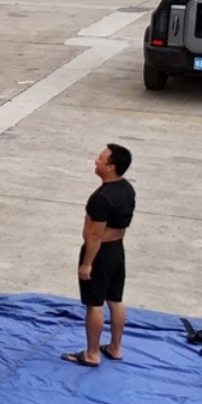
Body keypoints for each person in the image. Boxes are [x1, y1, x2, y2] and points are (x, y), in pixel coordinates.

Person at [62, 144, 135, 367]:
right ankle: (115, 347)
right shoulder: (127, 189)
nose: (96, 160)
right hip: (117, 250)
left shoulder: (101, 198)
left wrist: (87, 263)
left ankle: (92, 354)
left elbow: (95, 235)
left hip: (100, 253)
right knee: (115, 299)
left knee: (94, 303)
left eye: (101, 158)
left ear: (111, 167)